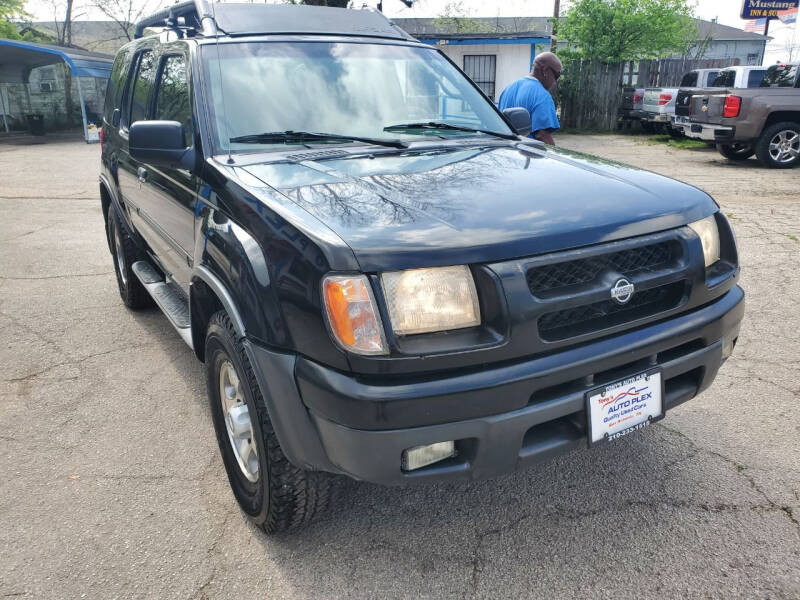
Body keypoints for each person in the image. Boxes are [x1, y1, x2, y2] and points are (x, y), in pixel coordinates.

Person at [498, 52, 562, 145]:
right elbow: (542, 135)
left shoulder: (507, 89)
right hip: (527, 156)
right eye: (556, 76)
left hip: (507, 152)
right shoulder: (542, 96)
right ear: (545, 70)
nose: (555, 82)